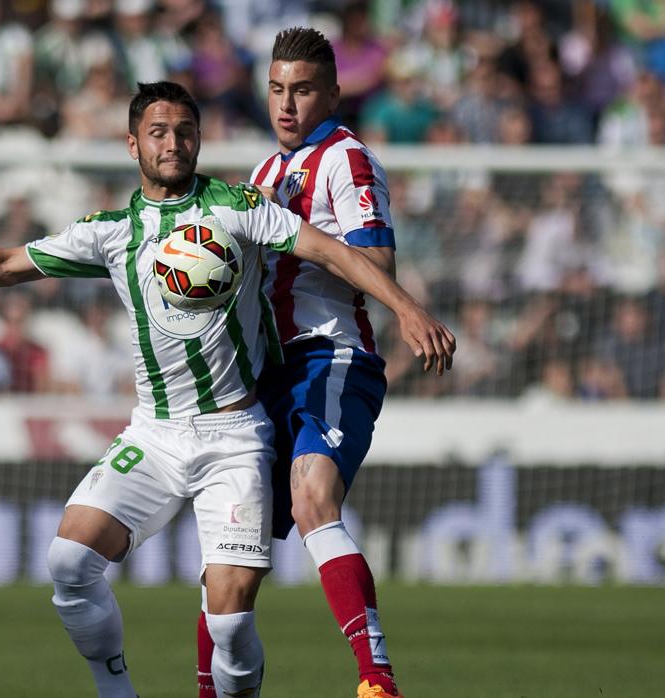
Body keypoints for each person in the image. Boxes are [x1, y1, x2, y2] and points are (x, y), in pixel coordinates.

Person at [0, 80, 454, 698]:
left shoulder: (238, 208)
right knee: (68, 563)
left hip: (235, 439)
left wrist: (405, 308)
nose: (174, 143)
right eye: (159, 133)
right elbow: (7, 265)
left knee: (228, 624)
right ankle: (117, 692)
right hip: (156, 434)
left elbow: (328, 250)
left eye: (185, 131)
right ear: (133, 144)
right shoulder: (111, 232)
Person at [199, 27, 416, 698]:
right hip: (266, 372)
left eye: (302, 91)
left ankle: (376, 680)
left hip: (329, 355)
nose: (286, 105)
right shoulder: (264, 174)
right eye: (276, 90)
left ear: (332, 92)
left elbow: (375, 262)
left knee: (313, 499)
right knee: (228, 560)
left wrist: (301, 242)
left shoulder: (347, 159)